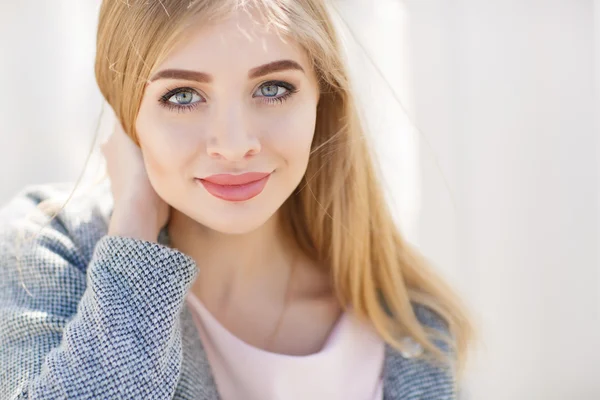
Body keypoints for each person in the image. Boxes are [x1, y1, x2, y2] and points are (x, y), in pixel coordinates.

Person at [0, 0, 475, 399]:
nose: (233, 144)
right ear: (126, 115)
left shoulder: (409, 326)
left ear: (320, 100)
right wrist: (134, 234)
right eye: (183, 95)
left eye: (273, 89)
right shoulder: (45, 249)